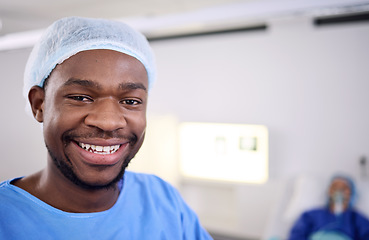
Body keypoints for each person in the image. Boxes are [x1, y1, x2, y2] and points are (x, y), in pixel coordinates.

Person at [0, 16, 212, 239]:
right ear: (39, 105)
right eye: (81, 97)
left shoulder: (161, 198)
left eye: (130, 101)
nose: (109, 122)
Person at [288, 174, 369, 240]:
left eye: (344, 188)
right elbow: (296, 234)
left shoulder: (357, 218)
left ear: (351, 194)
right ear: (329, 191)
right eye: (335, 187)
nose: (339, 191)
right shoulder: (310, 215)